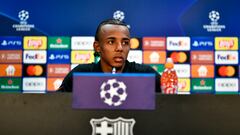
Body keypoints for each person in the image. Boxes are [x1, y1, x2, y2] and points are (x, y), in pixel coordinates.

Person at [59, 19, 161, 92]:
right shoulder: (80, 75)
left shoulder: (147, 75)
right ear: (97, 47)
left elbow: (169, 106)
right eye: (111, 42)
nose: (120, 48)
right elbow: (56, 108)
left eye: (125, 42)